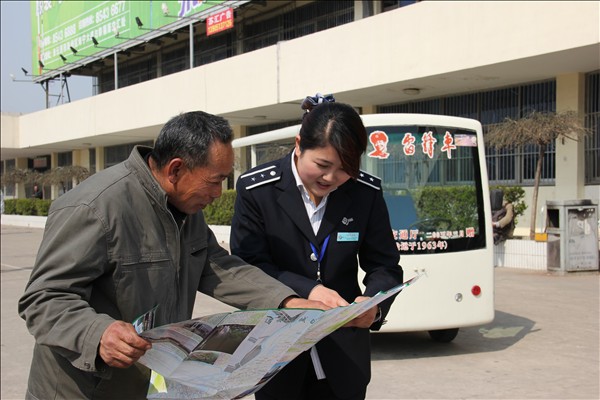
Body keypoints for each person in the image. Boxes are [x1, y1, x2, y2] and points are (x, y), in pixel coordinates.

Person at [18, 111, 327, 400]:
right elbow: (43, 298)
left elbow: (216, 266)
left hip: (147, 384)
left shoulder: (186, 208)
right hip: (81, 390)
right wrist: (98, 333)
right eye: (215, 180)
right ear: (176, 169)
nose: (219, 193)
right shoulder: (95, 208)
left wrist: (287, 301)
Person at [230, 94, 404, 400]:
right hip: (276, 354)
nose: (331, 178)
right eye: (322, 165)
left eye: (344, 168)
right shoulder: (258, 190)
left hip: (343, 358)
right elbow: (249, 266)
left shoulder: (365, 193)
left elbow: (385, 265)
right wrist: (307, 290)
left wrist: (373, 306)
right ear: (299, 145)